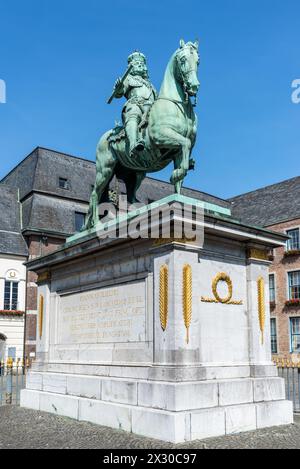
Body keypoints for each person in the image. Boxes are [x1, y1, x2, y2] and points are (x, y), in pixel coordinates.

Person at [113, 52, 157, 156]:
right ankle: (133, 144)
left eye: (142, 64)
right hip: (135, 104)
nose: (141, 65)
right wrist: (118, 87)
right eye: (137, 63)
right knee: (134, 115)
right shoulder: (128, 79)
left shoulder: (150, 85)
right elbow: (119, 93)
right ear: (131, 67)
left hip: (151, 108)